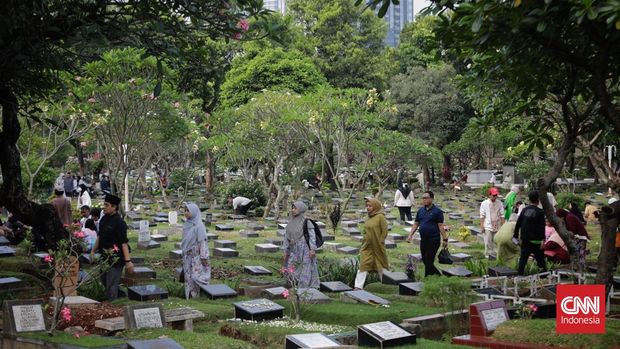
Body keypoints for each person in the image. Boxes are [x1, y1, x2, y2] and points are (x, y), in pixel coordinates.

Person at [91, 194, 134, 301]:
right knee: (105, 281)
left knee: (111, 284)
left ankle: (112, 304)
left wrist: (128, 261)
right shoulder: (104, 219)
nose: (104, 207)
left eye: (106, 205)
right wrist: (93, 251)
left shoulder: (119, 223)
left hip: (116, 258)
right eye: (104, 204)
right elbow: (100, 237)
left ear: (114, 207)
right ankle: (122, 295)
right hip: (104, 256)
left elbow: (124, 243)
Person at [407, 191, 447, 277]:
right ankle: (438, 275)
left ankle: (427, 277)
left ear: (431, 199)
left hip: (434, 239)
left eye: (426, 198)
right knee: (425, 259)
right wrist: (410, 234)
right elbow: (416, 223)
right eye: (423, 198)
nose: (424, 200)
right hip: (424, 240)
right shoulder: (420, 211)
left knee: (429, 259)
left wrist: (445, 239)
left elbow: (440, 226)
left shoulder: (437, 211)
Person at [283, 201, 320, 289]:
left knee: (305, 266)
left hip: (305, 249)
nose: (293, 210)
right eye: (293, 208)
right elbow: (287, 237)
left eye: (295, 208)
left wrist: (312, 249)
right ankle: (293, 283)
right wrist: (285, 251)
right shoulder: (291, 222)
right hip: (294, 248)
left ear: (301, 209)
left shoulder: (307, 222)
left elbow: (312, 236)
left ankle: (304, 287)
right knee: (292, 265)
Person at [355, 198, 389, 289]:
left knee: (381, 265)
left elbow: (384, 231)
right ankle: (358, 287)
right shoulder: (367, 217)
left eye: (370, 206)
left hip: (377, 246)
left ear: (375, 206)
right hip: (367, 246)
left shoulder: (380, 217)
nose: (368, 208)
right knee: (363, 265)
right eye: (367, 206)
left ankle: (387, 285)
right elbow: (365, 231)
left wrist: (381, 241)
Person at [513, 191, 547, 275]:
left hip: (525, 239)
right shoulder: (540, 211)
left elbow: (518, 224)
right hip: (536, 240)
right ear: (538, 199)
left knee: (523, 259)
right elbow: (541, 227)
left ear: (529, 199)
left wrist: (516, 236)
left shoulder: (524, 210)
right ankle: (544, 276)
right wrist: (543, 239)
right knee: (540, 260)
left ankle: (520, 276)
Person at [182, 203, 211, 299]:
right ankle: (190, 297)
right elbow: (185, 241)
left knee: (196, 276)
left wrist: (204, 256)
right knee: (188, 277)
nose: (185, 213)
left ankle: (200, 295)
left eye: (188, 211)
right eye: (185, 210)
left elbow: (202, 242)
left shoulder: (199, 226)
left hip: (196, 256)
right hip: (187, 256)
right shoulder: (186, 225)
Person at [480, 187, 505, 258]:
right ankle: (488, 254)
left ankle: (496, 254)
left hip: (497, 224)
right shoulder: (484, 203)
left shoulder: (499, 203)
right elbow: (482, 215)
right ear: (489, 195)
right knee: (488, 240)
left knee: (497, 240)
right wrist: (482, 226)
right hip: (488, 224)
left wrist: (503, 226)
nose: (495, 197)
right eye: (493, 195)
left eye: (496, 195)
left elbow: (502, 215)